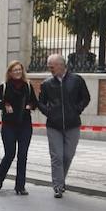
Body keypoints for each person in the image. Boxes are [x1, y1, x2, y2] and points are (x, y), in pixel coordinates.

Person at [38, 53, 91, 198]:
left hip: (72, 125)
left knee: (67, 156)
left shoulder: (76, 80)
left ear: (61, 65)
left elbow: (86, 97)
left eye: (52, 66)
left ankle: (61, 180)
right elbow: (40, 102)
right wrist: (49, 113)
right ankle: (58, 186)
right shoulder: (47, 83)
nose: (50, 69)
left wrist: (77, 110)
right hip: (53, 126)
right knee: (57, 157)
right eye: (49, 67)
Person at [0, 61, 38, 195]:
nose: (17, 72)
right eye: (14, 70)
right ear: (10, 72)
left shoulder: (27, 85)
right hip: (9, 126)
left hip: (25, 126)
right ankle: (0, 177)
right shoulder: (5, 87)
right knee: (10, 154)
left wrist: (30, 106)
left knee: (23, 155)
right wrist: (4, 106)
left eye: (19, 70)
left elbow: (34, 102)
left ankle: (20, 186)